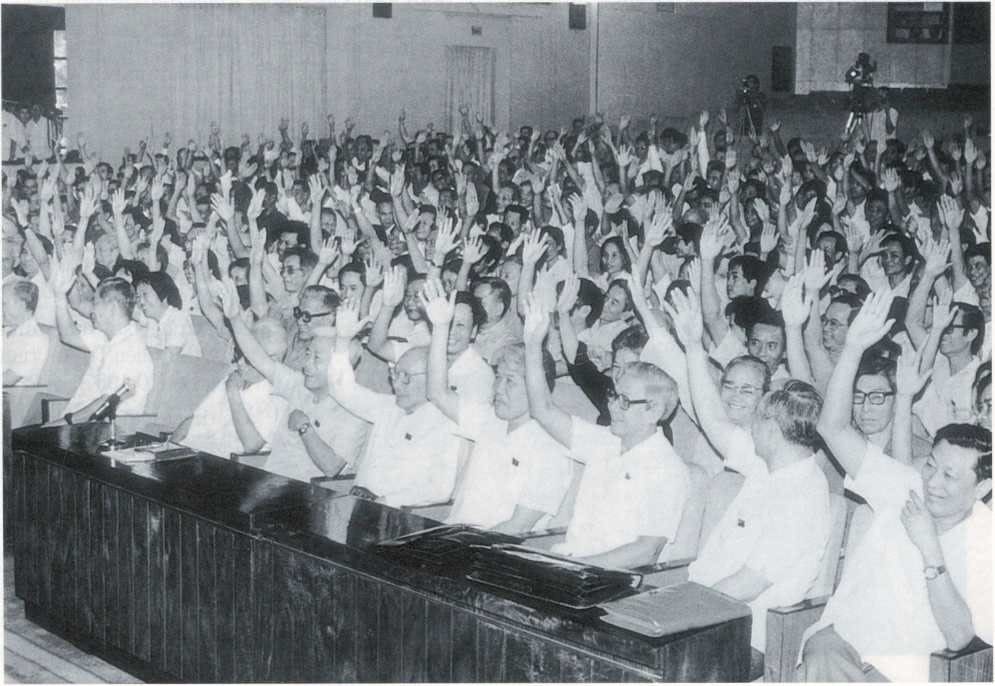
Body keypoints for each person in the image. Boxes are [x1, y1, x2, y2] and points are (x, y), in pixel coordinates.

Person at [801, 290, 992, 683]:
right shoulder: (906, 485)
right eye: (931, 466)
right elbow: (832, 428)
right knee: (822, 652)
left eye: (950, 476)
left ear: (982, 487)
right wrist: (853, 349)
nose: (932, 483)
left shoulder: (985, 539)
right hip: (847, 642)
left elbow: (961, 638)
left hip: (911, 667)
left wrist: (930, 549)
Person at [664, 286, 830, 660]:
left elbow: (747, 585)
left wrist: (673, 612)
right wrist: (692, 346)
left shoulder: (803, 496)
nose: (747, 426)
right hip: (707, 612)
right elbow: (714, 420)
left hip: (738, 635)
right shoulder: (767, 464)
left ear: (770, 429)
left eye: (756, 420)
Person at [522, 293, 689, 569]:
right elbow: (543, 410)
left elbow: (645, 551)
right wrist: (531, 345)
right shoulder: (605, 441)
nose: (612, 407)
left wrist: (579, 568)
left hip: (606, 578)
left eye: (624, 401)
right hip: (570, 564)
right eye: (613, 396)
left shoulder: (667, 468)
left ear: (654, 410)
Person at [421, 280, 572, 533]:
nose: (498, 388)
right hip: (453, 535)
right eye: (498, 377)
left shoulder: (550, 447)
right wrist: (439, 327)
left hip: (491, 547)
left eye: (510, 381)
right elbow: (437, 393)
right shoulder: (490, 421)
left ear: (538, 388)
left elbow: (517, 526)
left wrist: (461, 543)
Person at [219, 281, 368, 482]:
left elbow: (331, 467)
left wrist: (305, 427)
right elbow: (260, 359)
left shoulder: (355, 410)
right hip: (269, 481)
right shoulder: (299, 384)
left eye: (316, 358)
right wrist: (235, 319)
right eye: (308, 354)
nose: (307, 364)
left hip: (309, 491)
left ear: (339, 365)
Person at [327, 298, 463, 508]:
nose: (397, 384)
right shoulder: (388, 406)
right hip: (360, 503)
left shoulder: (445, 424)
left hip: (396, 512)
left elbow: (439, 489)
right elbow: (341, 390)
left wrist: (388, 502)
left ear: (432, 378)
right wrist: (343, 341)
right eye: (395, 374)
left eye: (406, 377)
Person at [50, 260, 154, 421]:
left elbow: (105, 402)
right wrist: (59, 297)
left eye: (96, 303)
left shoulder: (131, 348)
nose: (92, 310)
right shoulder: (104, 337)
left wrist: (65, 422)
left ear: (112, 308)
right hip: (81, 422)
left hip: (102, 426)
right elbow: (68, 336)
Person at [173, 318, 288, 458]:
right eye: (239, 353)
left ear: (272, 360)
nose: (240, 362)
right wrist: (169, 448)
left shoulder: (276, 395)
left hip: (227, 464)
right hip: (195, 454)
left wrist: (233, 393)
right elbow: (193, 421)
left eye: (248, 358)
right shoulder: (235, 378)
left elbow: (252, 445)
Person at [134, 271, 202, 356]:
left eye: (145, 294)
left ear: (163, 294)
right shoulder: (152, 320)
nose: (141, 301)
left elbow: (168, 359)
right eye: (138, 297)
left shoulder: (178, 319)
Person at [2, 279, 50, 385]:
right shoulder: (5, 331)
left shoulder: (35, 339)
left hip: (12, 393)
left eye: (3, 303)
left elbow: (8, 379)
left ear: (21, 305)